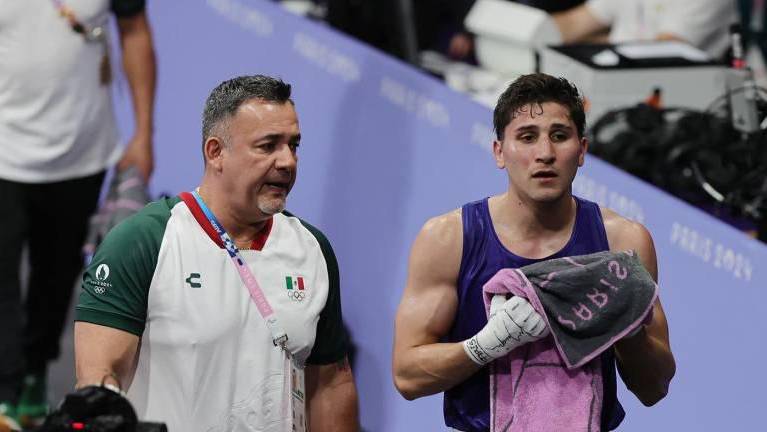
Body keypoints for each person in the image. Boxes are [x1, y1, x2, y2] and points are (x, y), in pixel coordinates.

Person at [73, 75, 359, 432]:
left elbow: (331, 385)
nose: (287, 161)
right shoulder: (143, 242)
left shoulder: (313, 250)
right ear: (216, 152)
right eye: (268, 145)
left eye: (293, 145)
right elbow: (99, 381)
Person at [392, 73, 675, 431]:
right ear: (499, 151)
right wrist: (486, 345)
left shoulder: (624, 243)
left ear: (582, 150)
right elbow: (408, 376)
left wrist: (627, 327)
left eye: (559, 136)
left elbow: (655, 387)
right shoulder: (449, 239)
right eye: (527, 137)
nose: (545, 154)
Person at [0, 0, 155, 426]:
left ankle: (33, 368)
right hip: (3, 152)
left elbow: (135, 32)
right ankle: (5, 390)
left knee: (56, 276)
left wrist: (143, 134)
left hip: (81, 153)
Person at [552, 0, 738, 59]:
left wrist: (576, 48)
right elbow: (573, 24)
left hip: (676, 105)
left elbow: (657, 54)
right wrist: (530, 28)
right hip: (617, 77)